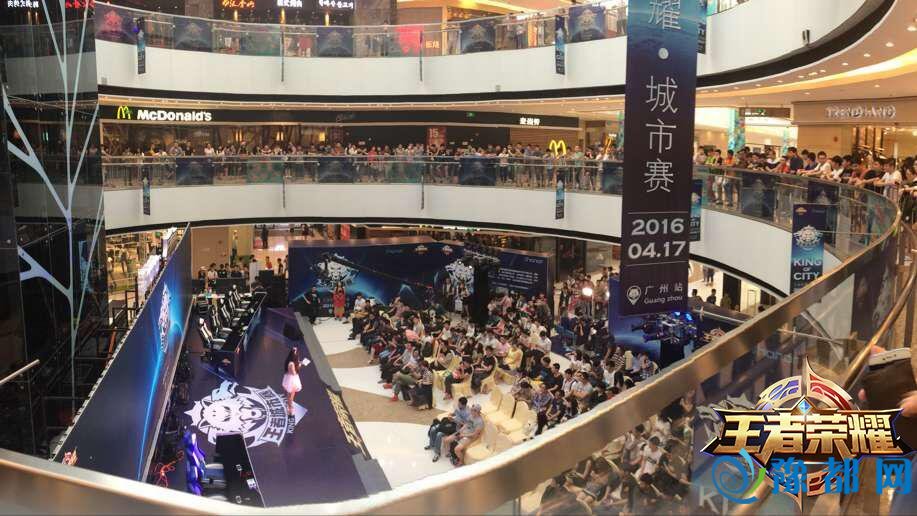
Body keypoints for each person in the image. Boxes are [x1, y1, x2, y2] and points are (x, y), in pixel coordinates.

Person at [282, 347, 303, 415]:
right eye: (296, 354)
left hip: (290, 379)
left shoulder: (290, 361)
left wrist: (298, 363)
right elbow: (294, 373)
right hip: (292, 381)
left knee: (290, 394)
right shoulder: (291, 364)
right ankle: (290, 409)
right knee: (291, 395)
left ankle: (289, 405)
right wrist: (299, 365)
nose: (297, 356)